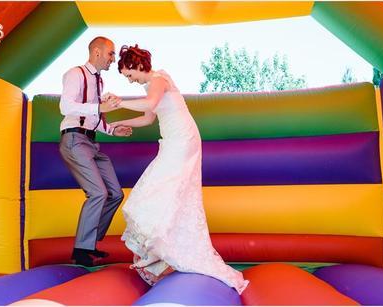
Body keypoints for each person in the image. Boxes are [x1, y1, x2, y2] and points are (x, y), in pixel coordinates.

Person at [107, 45, 248, 294]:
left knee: (161, 191)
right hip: (172, 141)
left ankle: (167, 256)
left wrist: (119, 103)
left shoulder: (158, 79)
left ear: (137, 65)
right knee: (160, 195)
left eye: (129, 75)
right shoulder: (149, 86)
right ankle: (163, 259)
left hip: (182, 141)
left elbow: (150, 102)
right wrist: (118, 122)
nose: (130, 81)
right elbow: (148, 118)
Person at [59, 36, 132, 267]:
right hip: (74, 139)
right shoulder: (76, 73)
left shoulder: (99, 83)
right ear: (97, 52)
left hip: (91, 143)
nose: (113, 59)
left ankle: (89, 243)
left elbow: (94, 118)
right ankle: (81, 249)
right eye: (111, 54)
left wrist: (112, 130)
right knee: (98, 192)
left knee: (115, 193)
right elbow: (65, 106)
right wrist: (99, 107)